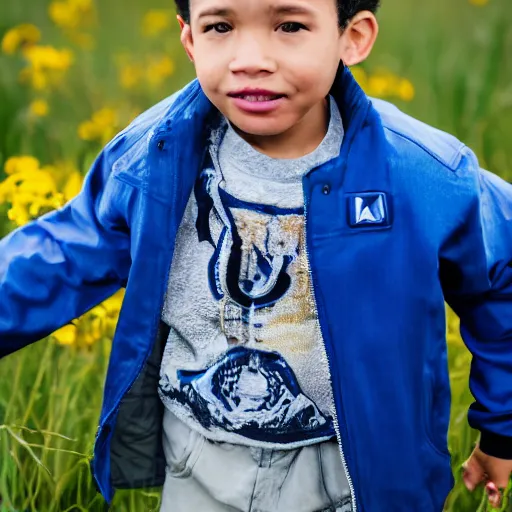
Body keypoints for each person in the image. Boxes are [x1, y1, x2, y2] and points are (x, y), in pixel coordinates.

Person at [1, 0, 512, 510]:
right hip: (199, 462)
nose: (250, 58)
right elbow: (62, 253)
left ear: (351, 36)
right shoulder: (156, 156)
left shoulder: (420, 173)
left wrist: (501, 428)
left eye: (289, 25)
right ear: (189, 40)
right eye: (220, 26)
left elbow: (501, 276)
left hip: (352, 472)